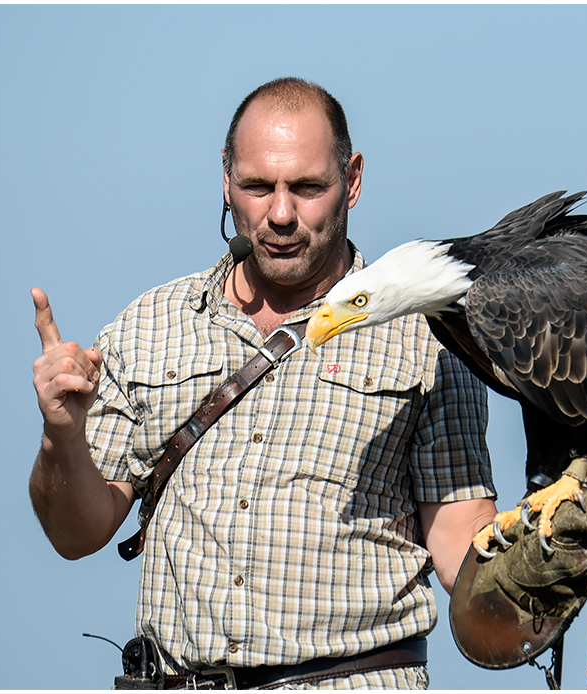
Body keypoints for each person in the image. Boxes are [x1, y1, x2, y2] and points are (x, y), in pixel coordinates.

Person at [29, 77, 500, 690]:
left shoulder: (430, 337)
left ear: (352, 180)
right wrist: (60, 435)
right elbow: (75, 533)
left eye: (307, 187)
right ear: (226, 177)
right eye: (257, 186)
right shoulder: (149, 325)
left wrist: (551, 555)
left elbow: (461, 541)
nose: (280, 214)